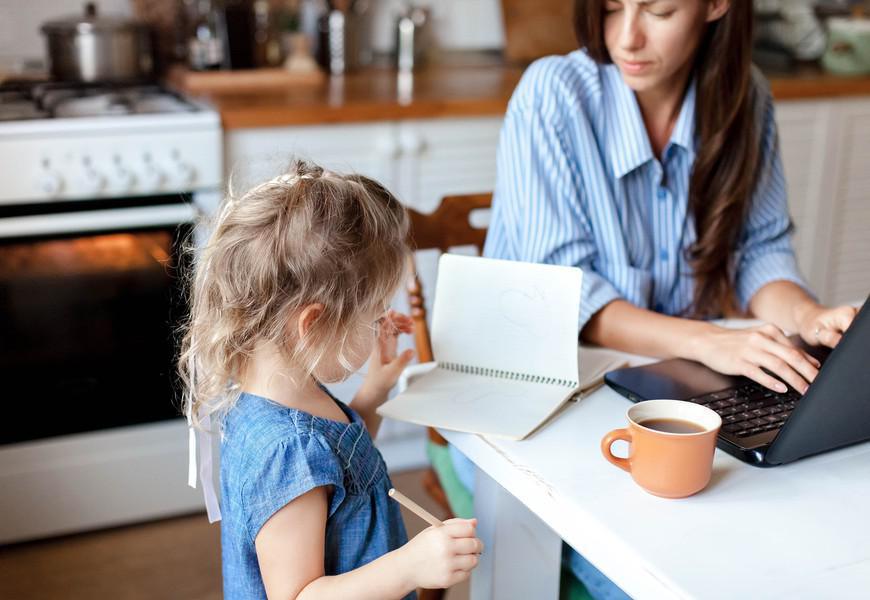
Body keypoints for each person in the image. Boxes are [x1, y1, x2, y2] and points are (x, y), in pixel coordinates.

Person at [451, 1, 858, 598]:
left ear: (717, 6)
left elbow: (761, 253)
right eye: (613, 8)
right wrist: (709, 340)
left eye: (660, 10)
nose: (627, 37)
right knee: (652, 573)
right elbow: (569, 297)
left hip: (661, 394)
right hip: (526, 408)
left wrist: (809, 316)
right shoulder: (554, 95)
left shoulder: (746, 97)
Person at [180, 161, 483, 600]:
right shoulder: (287, 450)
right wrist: (408, 567)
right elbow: (299, 595)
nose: (381, 318)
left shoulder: (288, 390)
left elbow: (344, 468)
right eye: (373, 310)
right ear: (313, 325)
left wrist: (375, 389)